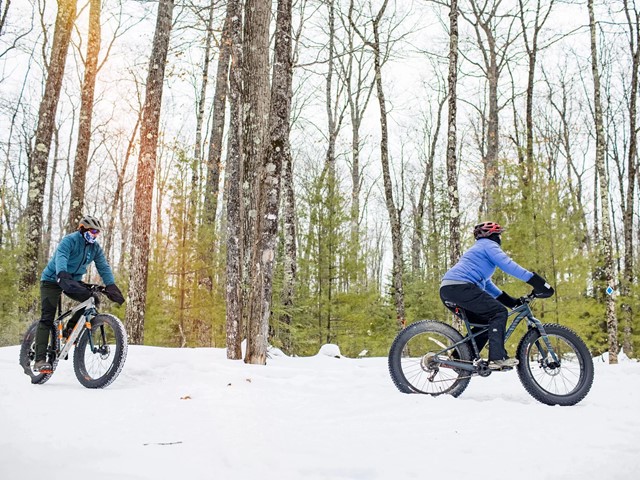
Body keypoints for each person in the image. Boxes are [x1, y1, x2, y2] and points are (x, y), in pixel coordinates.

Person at [439, 221, 554, 370]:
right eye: (499, 235)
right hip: (461, 287)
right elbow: (508, 265)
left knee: (486, 324)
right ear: (495, 235)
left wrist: (511, 302)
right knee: (498, 313)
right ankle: (497, 358)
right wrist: (536, 281)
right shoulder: (488, 245)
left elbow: (487, 286)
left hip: (449, 290)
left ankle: (459, 359)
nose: (500, 238)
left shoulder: (478, 250)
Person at [34, 215, 125, 372]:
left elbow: (103, 266)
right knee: (47, 317)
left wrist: (111, 285)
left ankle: (70, 329)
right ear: (83, 229)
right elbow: (61, 256)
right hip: (52, 279)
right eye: (93, 231)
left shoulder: (95, 248)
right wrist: (61, 273)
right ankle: (39, 359)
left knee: (92, 298)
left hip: (73, 280)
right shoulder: (70, 240)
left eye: (98, 233)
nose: (95, 235)